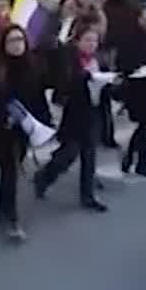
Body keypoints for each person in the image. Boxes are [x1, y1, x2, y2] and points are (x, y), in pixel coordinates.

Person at [0, 23, 50, 241]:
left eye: (20, 40)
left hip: (22, 128)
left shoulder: (32, 65)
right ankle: (12, 219)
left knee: (11, 169)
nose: (17, 45)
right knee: (10, 168)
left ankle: (2, 206)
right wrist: (3, 116)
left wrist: (44, 125)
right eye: (12, 41)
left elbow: (37, 97)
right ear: (3, 44)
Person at [33, 18, 112, 213]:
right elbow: (65, 83)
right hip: (75, 113)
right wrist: (86, 77)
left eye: (94, 41)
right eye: (87, 40)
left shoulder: (99, 60)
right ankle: (44, 177)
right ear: (78, 41)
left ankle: (88, 196)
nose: (91, 44)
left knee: (90, 155)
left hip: (94, 113)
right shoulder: (70, 58)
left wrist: (114, 83)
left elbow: (108, 83)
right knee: (68, 155)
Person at [116, 7, 146, 179]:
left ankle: (132, 158)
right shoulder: (131, 37)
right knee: (145, 124)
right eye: (144, 15)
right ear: (138, 20)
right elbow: (122, 62)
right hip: (138, 87)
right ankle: (139, 161)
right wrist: (135, 69)